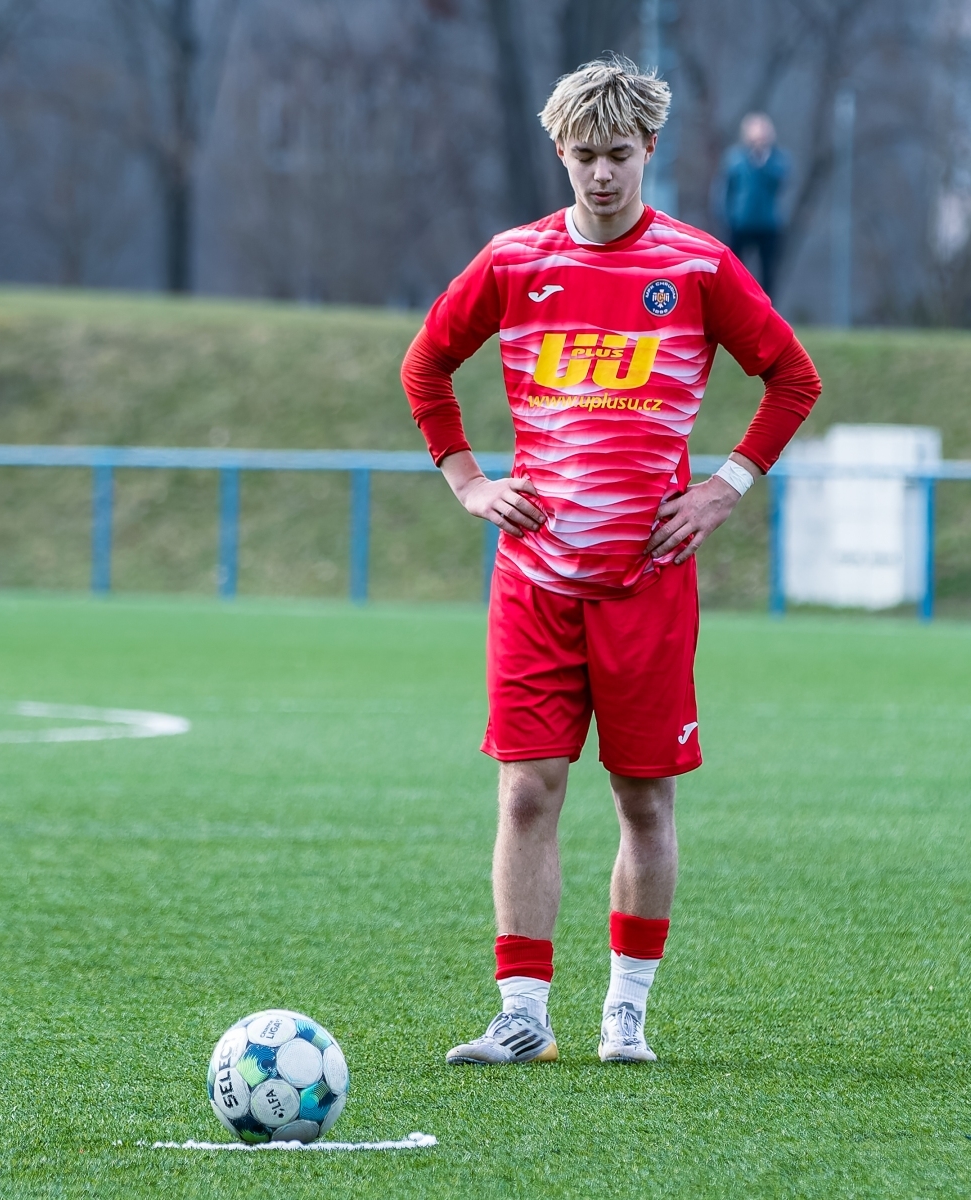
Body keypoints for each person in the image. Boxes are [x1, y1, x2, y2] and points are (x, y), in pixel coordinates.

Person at [399, 56, 821, 1067]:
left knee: (643, 799)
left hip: (648, 586)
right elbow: (425, 365)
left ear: (650, 152)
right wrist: (468, 481)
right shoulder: (513, 261)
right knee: (527, 793)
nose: (601, 174)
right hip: (535, 583)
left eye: (619, 155)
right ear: (559, 151)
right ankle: (523, 1016)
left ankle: (625, 1014)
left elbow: (792, 378)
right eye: (584, 155)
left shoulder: (699, 268)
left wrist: (725, 487)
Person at [716, 112, 789, 295]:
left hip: (768, 225)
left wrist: (763, 162)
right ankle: (735, 304)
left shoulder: (777, 160)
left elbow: (781, 182)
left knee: (768, 274)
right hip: (740, 223)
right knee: (734, 270)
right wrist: (726, 216)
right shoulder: (735, 159)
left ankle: (767, 307)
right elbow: (726, 189)